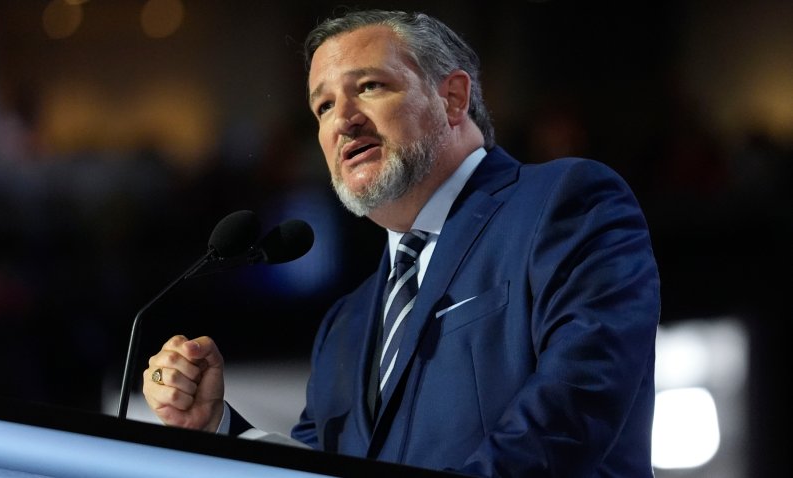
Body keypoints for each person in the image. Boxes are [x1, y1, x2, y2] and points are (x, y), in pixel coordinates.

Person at [142, 9, 660, 477]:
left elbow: (573, 408)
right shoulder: (345, 324)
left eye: (367, 86)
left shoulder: (564, 203)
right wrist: (217, 428)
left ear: (452, 98)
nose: (342, 120)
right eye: (322, 106)